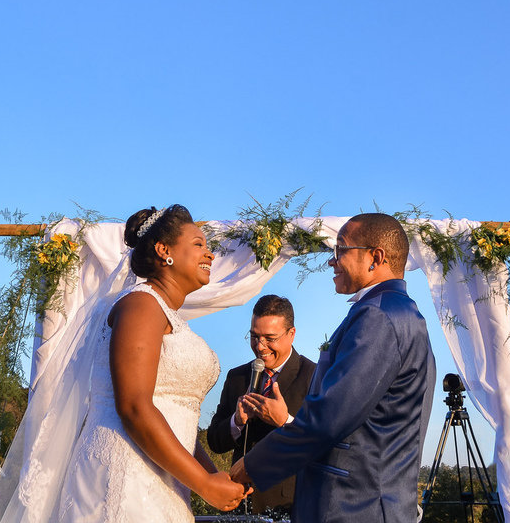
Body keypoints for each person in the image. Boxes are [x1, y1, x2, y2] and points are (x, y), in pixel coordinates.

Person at [231, 213, 436, 523]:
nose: (332, 261)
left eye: (341, 249)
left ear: (374, 257)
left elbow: (328, 419)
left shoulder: (378, 318)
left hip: (355, 506)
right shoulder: (402, 314)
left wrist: (252, 466)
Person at [57, 205, 251, 522]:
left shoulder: (167, 315)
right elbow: (134, 406)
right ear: (164, 250)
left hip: (163, 479)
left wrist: (213, 476)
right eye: (199, 244)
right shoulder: (141, 305)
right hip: (126, 476)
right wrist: (204, 484)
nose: (210, 254)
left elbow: (178, 419)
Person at [206, 295, 316, 517]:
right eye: (254, 336)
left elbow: (323, 443)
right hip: (239, 508)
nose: (260, 346)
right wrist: (236, 422)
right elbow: (214, 442)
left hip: (289, 508)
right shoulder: (237, 377)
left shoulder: (314, 376)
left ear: (291, 334)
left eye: (270, 338)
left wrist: (285, 421)